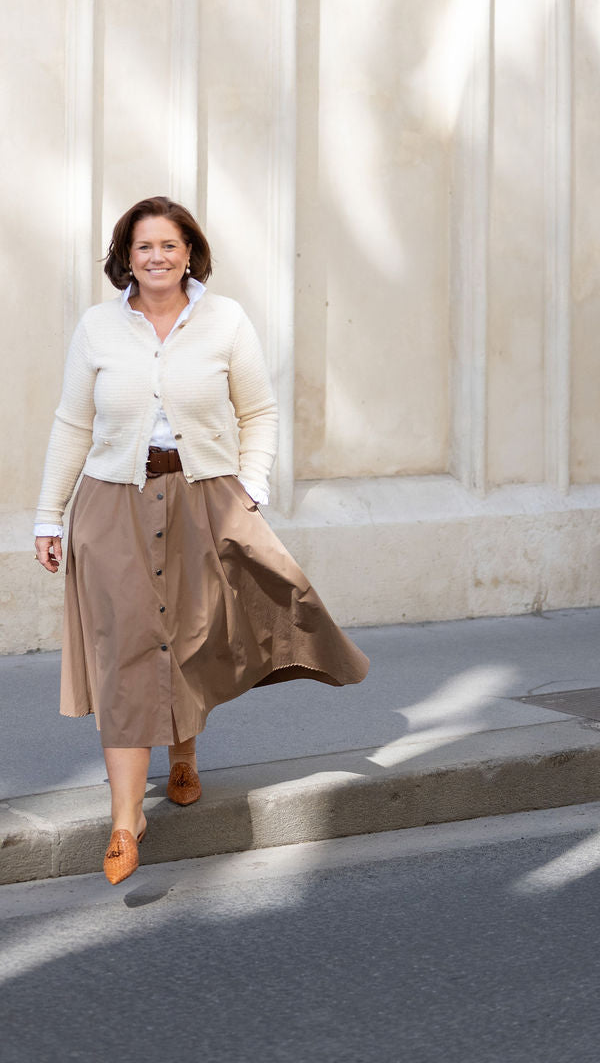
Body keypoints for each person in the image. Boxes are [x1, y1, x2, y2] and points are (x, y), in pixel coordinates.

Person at [34, 195, 369, 884]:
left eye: (169, 246)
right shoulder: (99, 327)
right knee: (125, 652)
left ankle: (183, 753)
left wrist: (250, 485)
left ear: (191, 253)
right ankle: (127, 820)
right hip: (112, 503)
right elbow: (72, 423)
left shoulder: (223, 320)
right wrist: (47, 515)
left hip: (203, 495)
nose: (156, 258)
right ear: (125, 257)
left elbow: (260, 410)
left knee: (189, 638)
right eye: (143, 247)